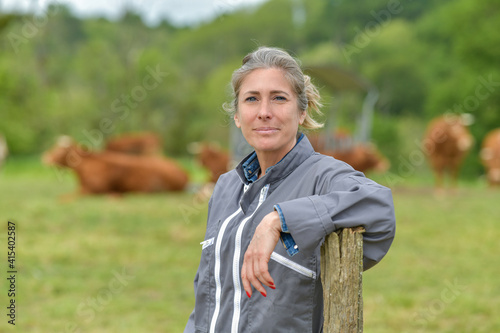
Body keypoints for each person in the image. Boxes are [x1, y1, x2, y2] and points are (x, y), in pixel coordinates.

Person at [184, 47, 396, 333]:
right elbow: (207, 297)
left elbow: (378, 205)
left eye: (279, 98)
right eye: (251, 99)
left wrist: (278, 219)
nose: (264, 112)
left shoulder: (324, 175)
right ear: (237, 115)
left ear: (302, 111)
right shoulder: (225, 186)